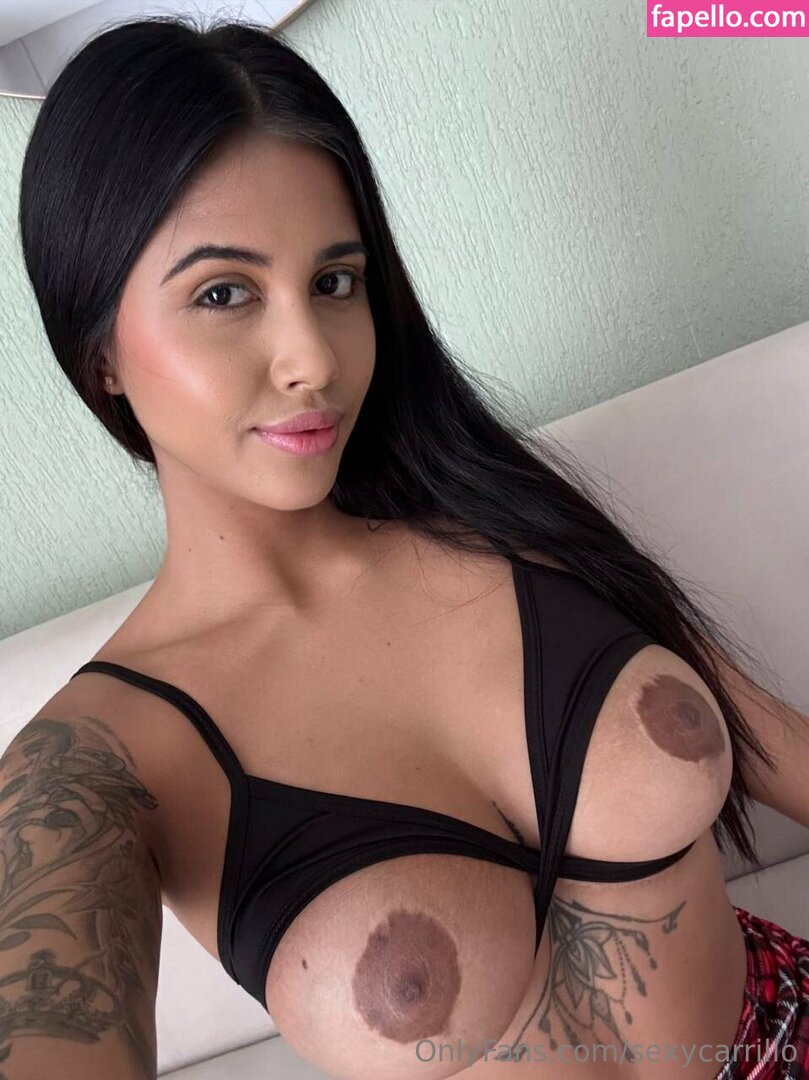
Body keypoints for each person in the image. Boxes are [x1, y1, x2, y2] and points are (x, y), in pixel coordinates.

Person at [5, 14, 808, 1080]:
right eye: (223, 293)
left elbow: (780, 748)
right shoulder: (89, 772)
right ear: (99, 349)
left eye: (335, 282)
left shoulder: (494, 514)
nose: (312, 358)